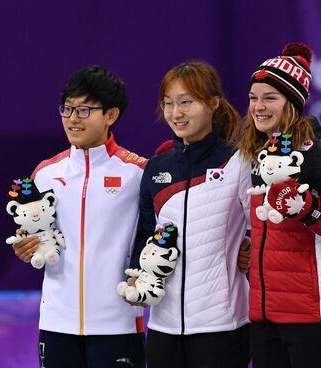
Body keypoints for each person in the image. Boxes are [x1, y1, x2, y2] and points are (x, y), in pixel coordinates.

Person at [239, 42, 321, 368]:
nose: (258, 107)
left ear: (293, 103)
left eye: (270, 98)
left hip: (317, 319)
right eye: (253, 98)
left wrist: (307, 208)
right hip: (265, 317)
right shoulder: (256, 155)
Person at [11, 65, 146, 368]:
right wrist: (24, 247)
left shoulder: (137, 173)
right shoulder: (45, 174)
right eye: (67, 109)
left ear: (111, 115)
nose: (72, 119)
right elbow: (31, 234)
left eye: (84, 110)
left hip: (118, 323)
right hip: (57, 323)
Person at [132, 61, 253, 368]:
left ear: (213, 103)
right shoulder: (157, 168)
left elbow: (266, 228)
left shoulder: (238, 163)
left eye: (186, 102)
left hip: (222, 326)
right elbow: (146, 238)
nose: (176, 113)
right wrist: (136, 279)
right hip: (163, 327)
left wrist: (249, 248)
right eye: (168, 104)